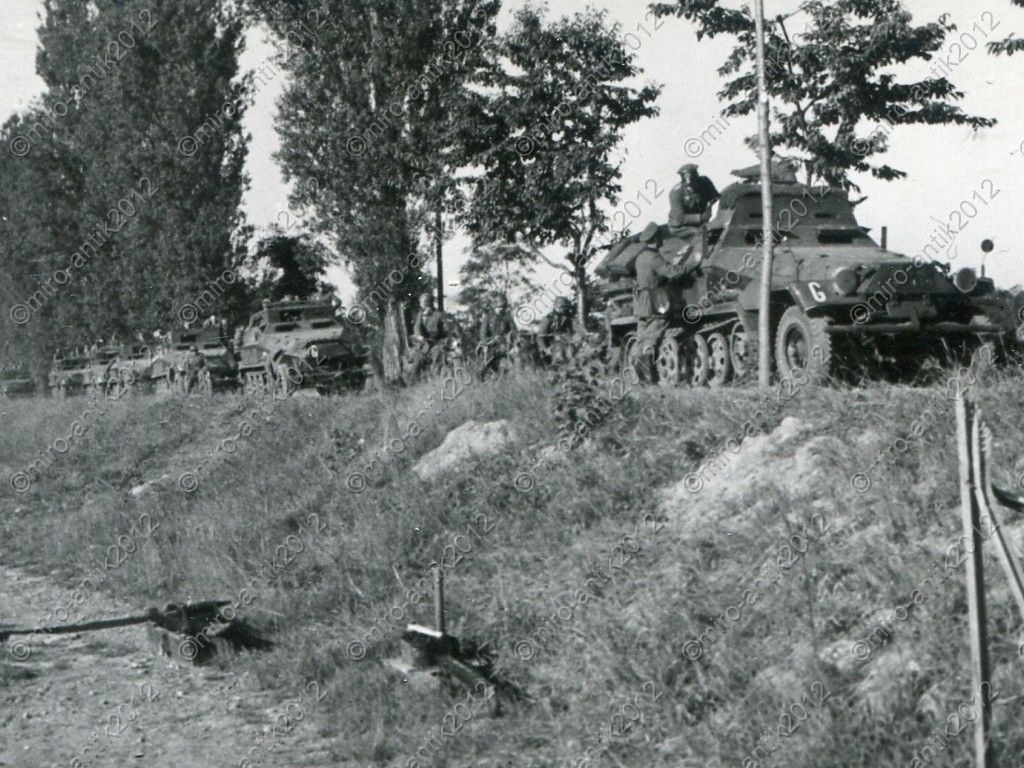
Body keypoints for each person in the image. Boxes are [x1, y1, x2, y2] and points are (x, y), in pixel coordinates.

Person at [633, 223, 691, 383]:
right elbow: (671, 273)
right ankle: (649, 378)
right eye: (660, 237)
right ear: (655, 238)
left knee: (642, 337)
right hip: (655, 299)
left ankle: (639, 378)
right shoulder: (654, 258)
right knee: (654, 333)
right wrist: (687, 267)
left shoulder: (640, 258)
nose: (662, 240)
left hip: (641, 302)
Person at [668, 164, 720, 233]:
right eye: (689, 185)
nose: (692, 187)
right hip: (681, 227)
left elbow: (715, 197)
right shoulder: (676, 193)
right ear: (684, 183)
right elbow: (680, 218)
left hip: (702, 221)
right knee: (702, 235)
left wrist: (711, 208)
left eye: (694, 182)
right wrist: (701, 217)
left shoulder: (705, 181)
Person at [408, 292, 446, 376]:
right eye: (420, 303)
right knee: (414, 357)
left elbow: (438, 331)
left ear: (428, 303)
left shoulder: (437, 315)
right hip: (422, 343)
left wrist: (428, 338)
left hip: (435, 342)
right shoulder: (420, 314)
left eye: (423, 302)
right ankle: (411, 377)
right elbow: (416, 327)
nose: (421, 305)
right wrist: (418, 335)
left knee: (431, 357)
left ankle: (413, 378)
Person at [478, 294, 516, 378]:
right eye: (500, 306)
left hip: (505, 344)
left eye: (504, 306)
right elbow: (483, 332)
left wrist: (514, 343)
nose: (502, 308)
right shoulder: (488, 317)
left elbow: (514, 331)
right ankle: (483, 376)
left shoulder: (508, 317)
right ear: (495, 306)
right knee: (485, 364)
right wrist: (485, 344)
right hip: (491, 344)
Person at [537, 296, 576, 366]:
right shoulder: (548, 318)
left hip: (563, 342)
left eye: (565, 307)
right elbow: (540, 337)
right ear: (556, 307)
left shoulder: (567, 317)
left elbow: (572, 330)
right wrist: (546, 349)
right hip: (549, 344)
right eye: (562, 307)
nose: (564, 309)